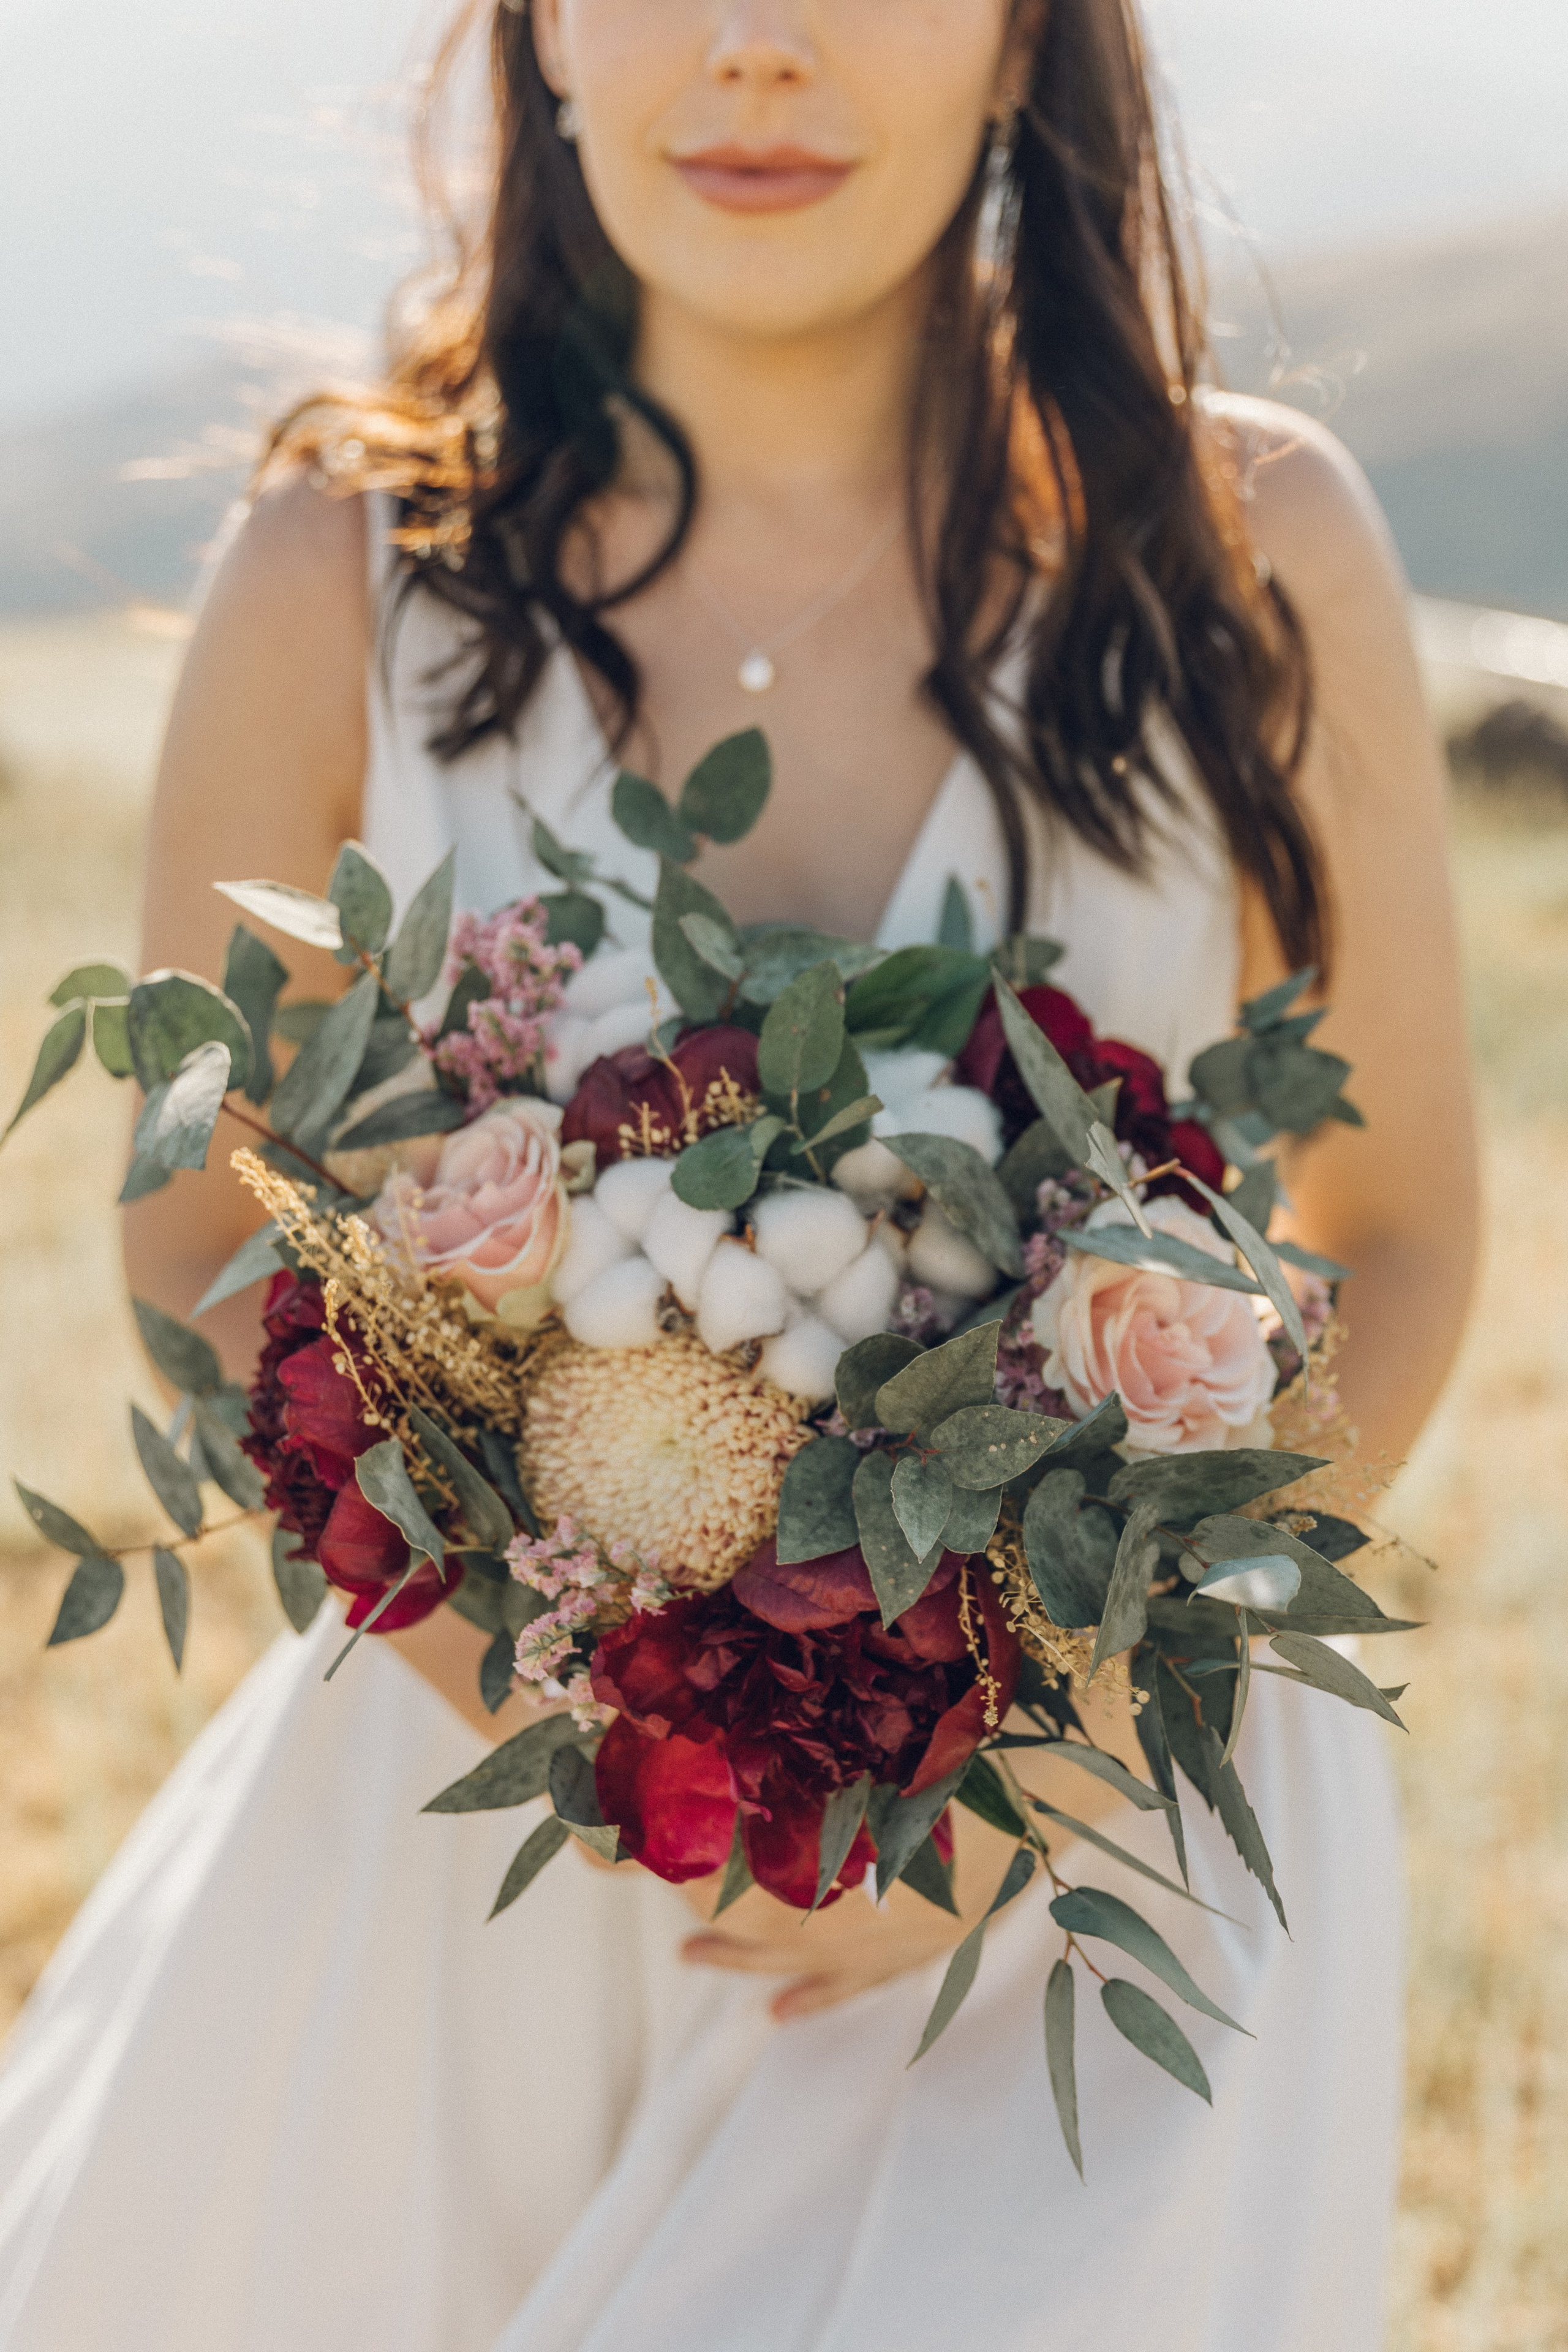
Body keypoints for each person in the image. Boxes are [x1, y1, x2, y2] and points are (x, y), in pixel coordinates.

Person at [0, 2, 1477, 2346]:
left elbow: (1398, 1240)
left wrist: (1060, 1733)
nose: (758, 46)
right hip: (493, 1854)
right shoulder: (346, 574)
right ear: (545, 40)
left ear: (1023, 44)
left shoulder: (1242, 548)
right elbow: (202, 1236)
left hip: (1081, 1881)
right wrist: (586, 1710)